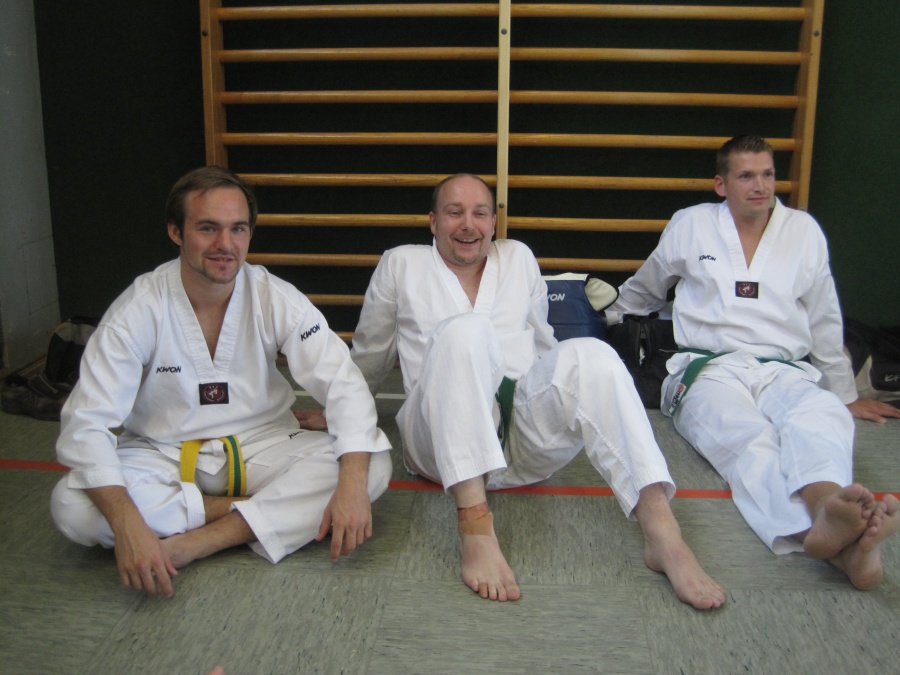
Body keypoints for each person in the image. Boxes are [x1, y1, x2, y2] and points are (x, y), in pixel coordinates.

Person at [299, 173, 725, 608]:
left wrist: (570, 391)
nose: (469, 224)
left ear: (493, 222)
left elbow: (543, 344)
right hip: (439, 445)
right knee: (465, 331)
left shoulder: (518, 257)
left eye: (480, 213)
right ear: (433, 221)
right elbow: (371, 354)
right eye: (454, 213)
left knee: (592, 354)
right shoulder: (401, 264)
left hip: (521, 444)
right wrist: (340, 413)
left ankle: (662, 532)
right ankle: (475, 526)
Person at [51, 166, 392, 598]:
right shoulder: (137, 310)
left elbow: (344, 385)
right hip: (162, 451)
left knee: (371, 467)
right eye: (208, 228)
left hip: (261, 442)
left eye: (238, 229)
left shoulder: (273, 296)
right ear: (176, 232)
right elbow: (86, 425)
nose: (225, 245)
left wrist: (351, 485)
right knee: (72, 505)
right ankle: (252, 512)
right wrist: (126, 522)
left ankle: (196, 543)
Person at [608, 135, 900, 590]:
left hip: (783, 367)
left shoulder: (802, 231)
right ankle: (843, 550)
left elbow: (825, 318)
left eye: (767, 174)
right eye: (746, 176)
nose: (760, 186)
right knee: (748, 439)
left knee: (820, 414)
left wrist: (843, 395)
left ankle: (828, 507)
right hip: (706, 370)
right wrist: (609, 319)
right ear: (721, 184)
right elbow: (645, 288)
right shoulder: (692, 224)